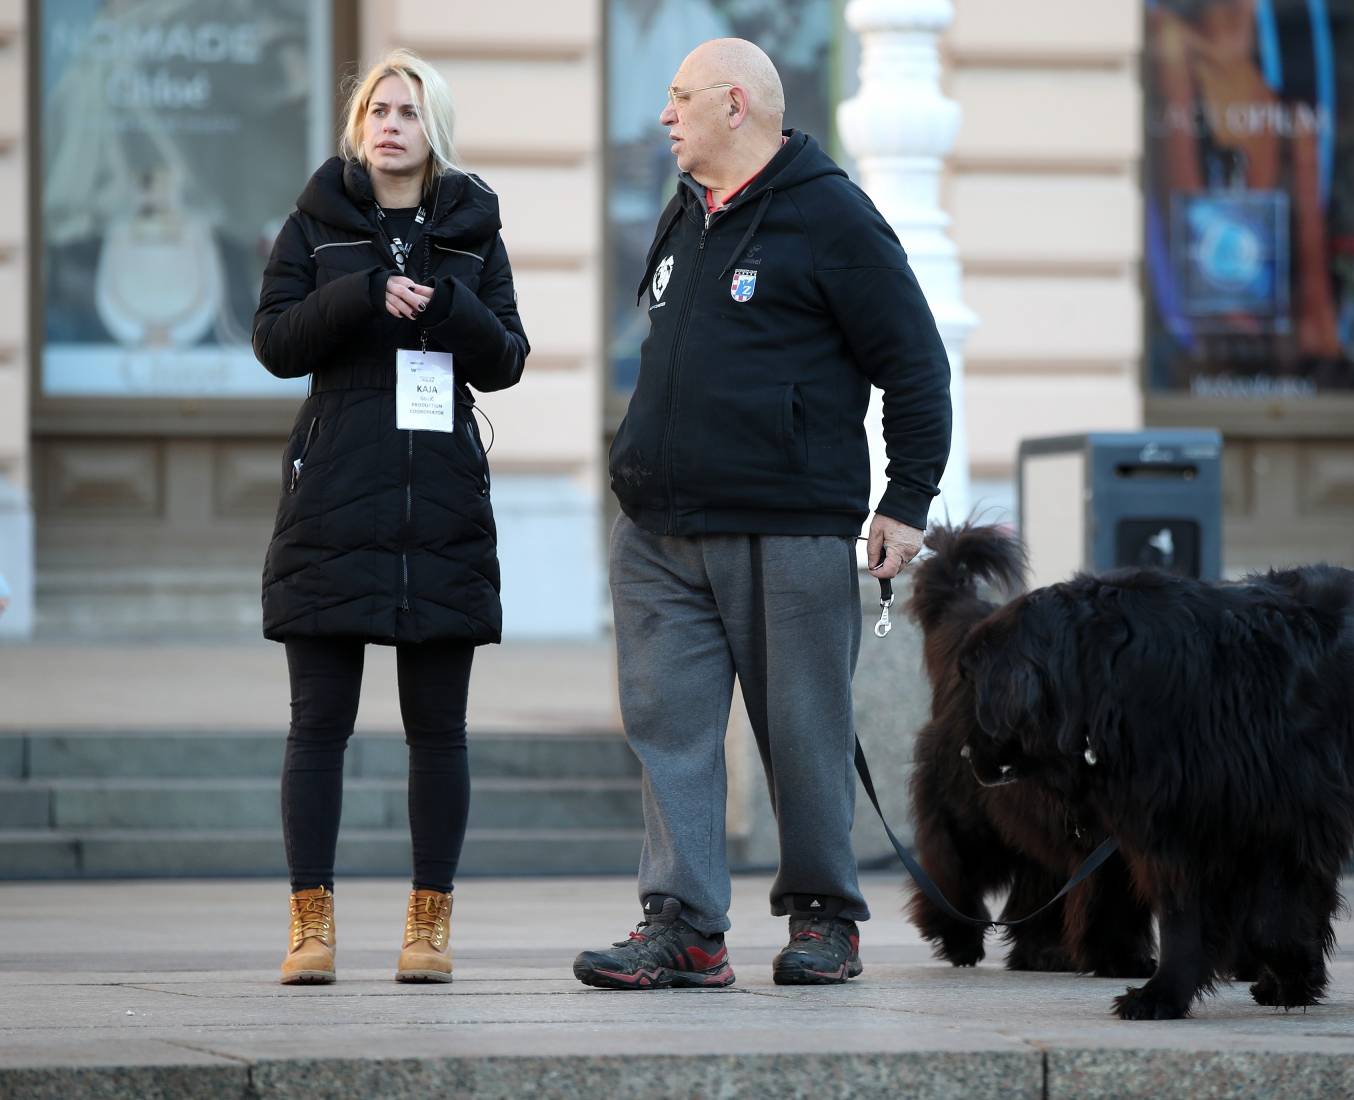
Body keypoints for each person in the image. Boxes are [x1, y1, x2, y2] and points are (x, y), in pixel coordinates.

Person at [574, 38, 951, 990]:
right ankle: (685, 928)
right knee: (669, 731)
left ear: (734, 105)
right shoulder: (684, 213)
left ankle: (824, 919)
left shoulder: (832, 215)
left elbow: (915, 364)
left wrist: (905, 501)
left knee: (805, 730)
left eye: (679, 97)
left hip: (787, 526)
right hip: (658, 532)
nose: (664, 116)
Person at [253, 49, 528, 986]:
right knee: (316, 727)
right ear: (358, 125)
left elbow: (508, 359)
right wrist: (361, 294)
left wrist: (446, 304)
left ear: (432, 127)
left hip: (440, 502)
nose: (390, 124)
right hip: (332, 495)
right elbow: (275, 343)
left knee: (438, 731)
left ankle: (428, 925)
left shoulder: (472, 229)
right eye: (378, 108)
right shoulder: (315, 221)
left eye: (408, 110)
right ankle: (310, 926)